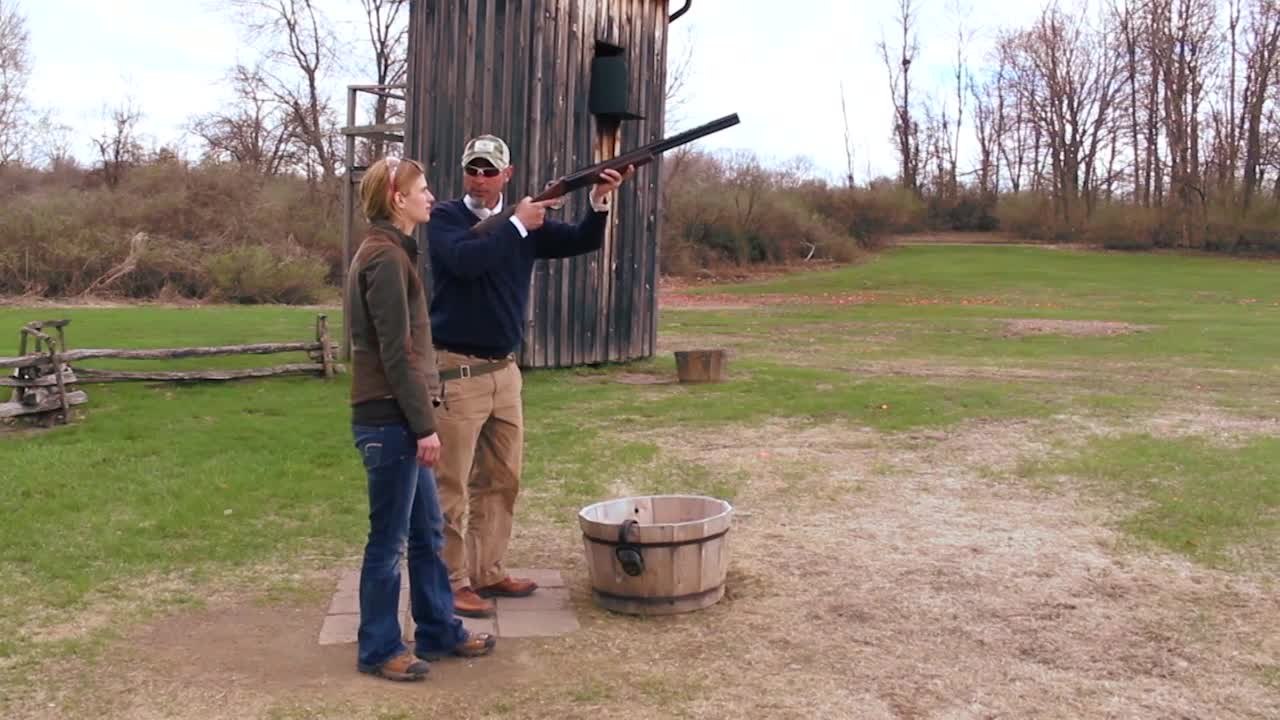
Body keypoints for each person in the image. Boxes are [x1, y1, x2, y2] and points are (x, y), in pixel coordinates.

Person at [426, 134, 633, 617]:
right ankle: (449, 581)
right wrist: (518, 222)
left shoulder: (525, 223)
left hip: (505, 373)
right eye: (472, 170)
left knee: (501, 480)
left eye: (489, 170)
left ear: (508, 174)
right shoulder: (446, 219)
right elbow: (464, 263)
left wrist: (599, 200)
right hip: (456, 373)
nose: (480, 179)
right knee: (450, 487)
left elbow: (581, 240)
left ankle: (488, 571)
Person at [346, 155, 496, 681]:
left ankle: (437, 630)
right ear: (397, 199)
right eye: (423, 189)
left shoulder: (396, 252)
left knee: (427, 532)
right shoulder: (384, 258)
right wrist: (424, 425)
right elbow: (397, 353)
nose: (432, 196)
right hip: (389, 421)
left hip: (401, 418)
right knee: (387, 542)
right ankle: (379, 647)